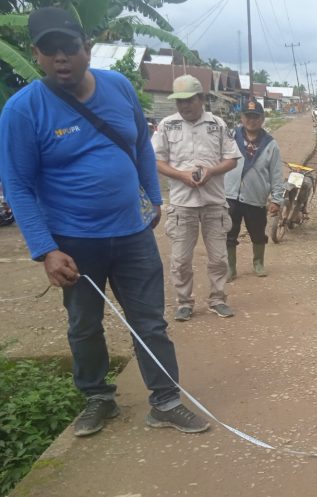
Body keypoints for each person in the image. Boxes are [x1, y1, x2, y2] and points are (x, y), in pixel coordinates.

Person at [0, 7, 209, 436]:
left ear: (87, 48)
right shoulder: (23, 110)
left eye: (70, 49)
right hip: (73, 241)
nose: (62, 59)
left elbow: (141, 150)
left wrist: (153, 198)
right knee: (84, 324)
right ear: (36, 53)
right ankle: (98, 397)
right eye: (50, 51)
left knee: (150, 320)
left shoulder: (118, 88)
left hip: (132, 234)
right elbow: (17, 185)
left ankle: (166, 401)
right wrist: (46, 249)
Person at [152, 75, 241, 322]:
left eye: (189, 100)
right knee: (180, 259)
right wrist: (180, 175)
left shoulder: (218, 124)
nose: (184, 106)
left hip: (214, 202)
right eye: (179, 101)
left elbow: (232, 158)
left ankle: (217, 299)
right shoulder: (167, 126)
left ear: (201, 99)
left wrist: (211, 171)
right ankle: (184, 302)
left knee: (219, 257)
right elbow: (157, 160)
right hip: (182, 204)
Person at [224, 98, 284, 281]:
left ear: (262, 119)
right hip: (230, 195)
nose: (252, 120)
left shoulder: (270, 144)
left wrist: (277, 199)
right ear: (241, 117)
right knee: (229, 233)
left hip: (256, 197)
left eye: (256, 117)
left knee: (258, 233)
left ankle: (258, 263)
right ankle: (230, 268)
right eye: (248, 116)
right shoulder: (230, 137)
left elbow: (276, 173)